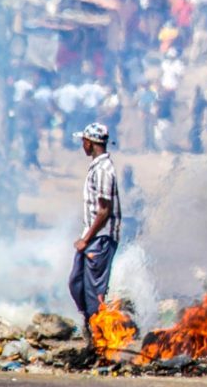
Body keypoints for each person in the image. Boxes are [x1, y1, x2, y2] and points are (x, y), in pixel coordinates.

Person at [68, 122, 122, 347]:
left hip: (99, 240)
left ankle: (100, 342)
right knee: (76, 283)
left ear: (90, 143)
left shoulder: (103, 171)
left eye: (84, 141)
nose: (82, 144)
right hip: (93, 238)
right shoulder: (97, 167)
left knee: (94, 293)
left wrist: (86, 239)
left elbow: (104, 211)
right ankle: (91, 327)